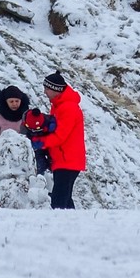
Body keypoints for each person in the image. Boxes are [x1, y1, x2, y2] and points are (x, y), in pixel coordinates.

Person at [32, 72, 84, 209]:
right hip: (63, 159)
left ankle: (63, 227)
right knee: (65, 200)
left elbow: (60, 136)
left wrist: (41, 142)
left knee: (59, 202)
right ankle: (75, 226)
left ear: (56, 89)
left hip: (67, 160)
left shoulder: (68, 107)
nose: (45, 92)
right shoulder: (58, 105)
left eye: (47, 89)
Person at [23, 108, 56, 174]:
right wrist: (32, 142)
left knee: (53, 156)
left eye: (37, 129)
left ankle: (51, 169)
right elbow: (23, 137)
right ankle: (41, 173)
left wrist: (52, 125)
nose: (35, 130)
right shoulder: (24, 126)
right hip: (37, 147)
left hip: (47, 142)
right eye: (32, 129)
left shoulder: (46, 120)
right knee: (39, 161)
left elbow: (52, 119)